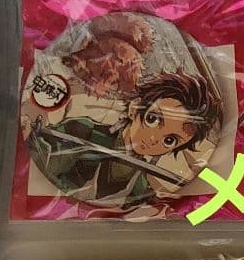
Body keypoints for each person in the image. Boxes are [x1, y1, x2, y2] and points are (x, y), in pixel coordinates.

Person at [27, 69, 223, 208]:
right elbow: (42, 159)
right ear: (134, 108)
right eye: (153, 119)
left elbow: (145, 212)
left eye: (170, 140)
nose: (154, 139)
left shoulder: (140, 183)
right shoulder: (83, 130)